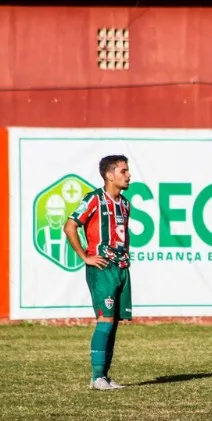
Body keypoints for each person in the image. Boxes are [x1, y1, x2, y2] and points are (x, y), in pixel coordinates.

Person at [64, 155, 133, 391]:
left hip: (121, 268)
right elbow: (70, 226)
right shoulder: (93, 199)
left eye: (127, 171)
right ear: (109, 175)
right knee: (104, 320)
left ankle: (103, 376)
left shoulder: (125, 203)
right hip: (102, 267)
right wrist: (85, 256)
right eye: (123, 171)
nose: (128, 175)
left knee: (113, 323)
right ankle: (96, 377)